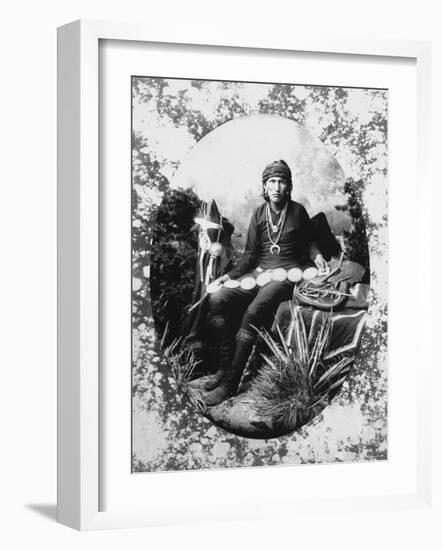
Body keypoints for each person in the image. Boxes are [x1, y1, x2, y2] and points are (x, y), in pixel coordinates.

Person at [202, 159, 327, 406]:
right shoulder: (259, 213)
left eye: (282, 181)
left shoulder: (298, 211)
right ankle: (224, 368)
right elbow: (250, 255)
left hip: (287, 275)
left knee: (254, 310)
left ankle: (230, 383)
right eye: (272, 181)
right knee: (218, 298)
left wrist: (318, 255)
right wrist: (229, 276)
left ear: (288, 186)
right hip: (259, 273)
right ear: (265, 185)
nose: (277, 186)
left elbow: (311, 242)